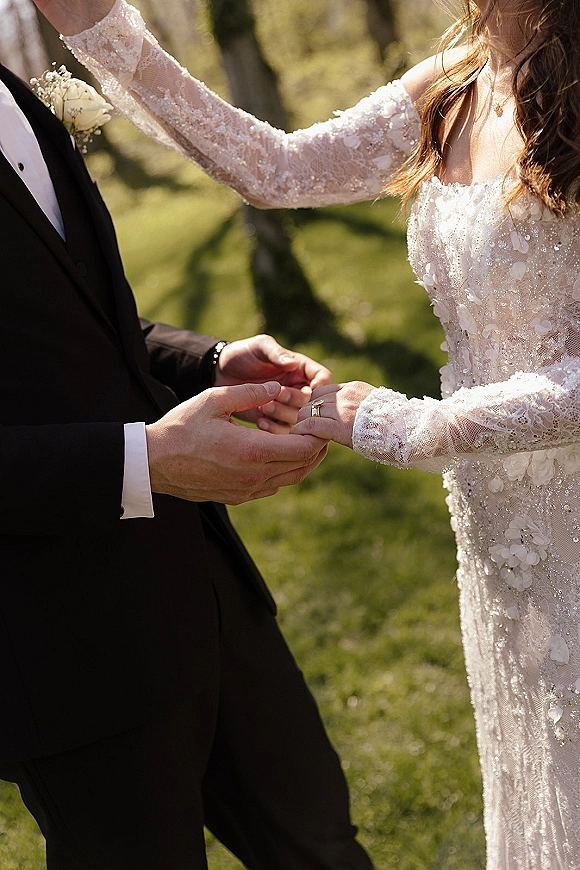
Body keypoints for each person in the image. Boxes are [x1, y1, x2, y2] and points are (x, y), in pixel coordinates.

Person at [32, 0, 580, 866]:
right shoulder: (455, 83)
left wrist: (417, 428)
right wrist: (100, 29)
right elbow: (276, 168)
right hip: (504, 547)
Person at [0, 16, 380, 870]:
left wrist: (207, 361)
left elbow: (78, 325)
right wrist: (142, 462)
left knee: (321, 844)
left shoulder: (16, 88)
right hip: (66, 647)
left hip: (204, 587)